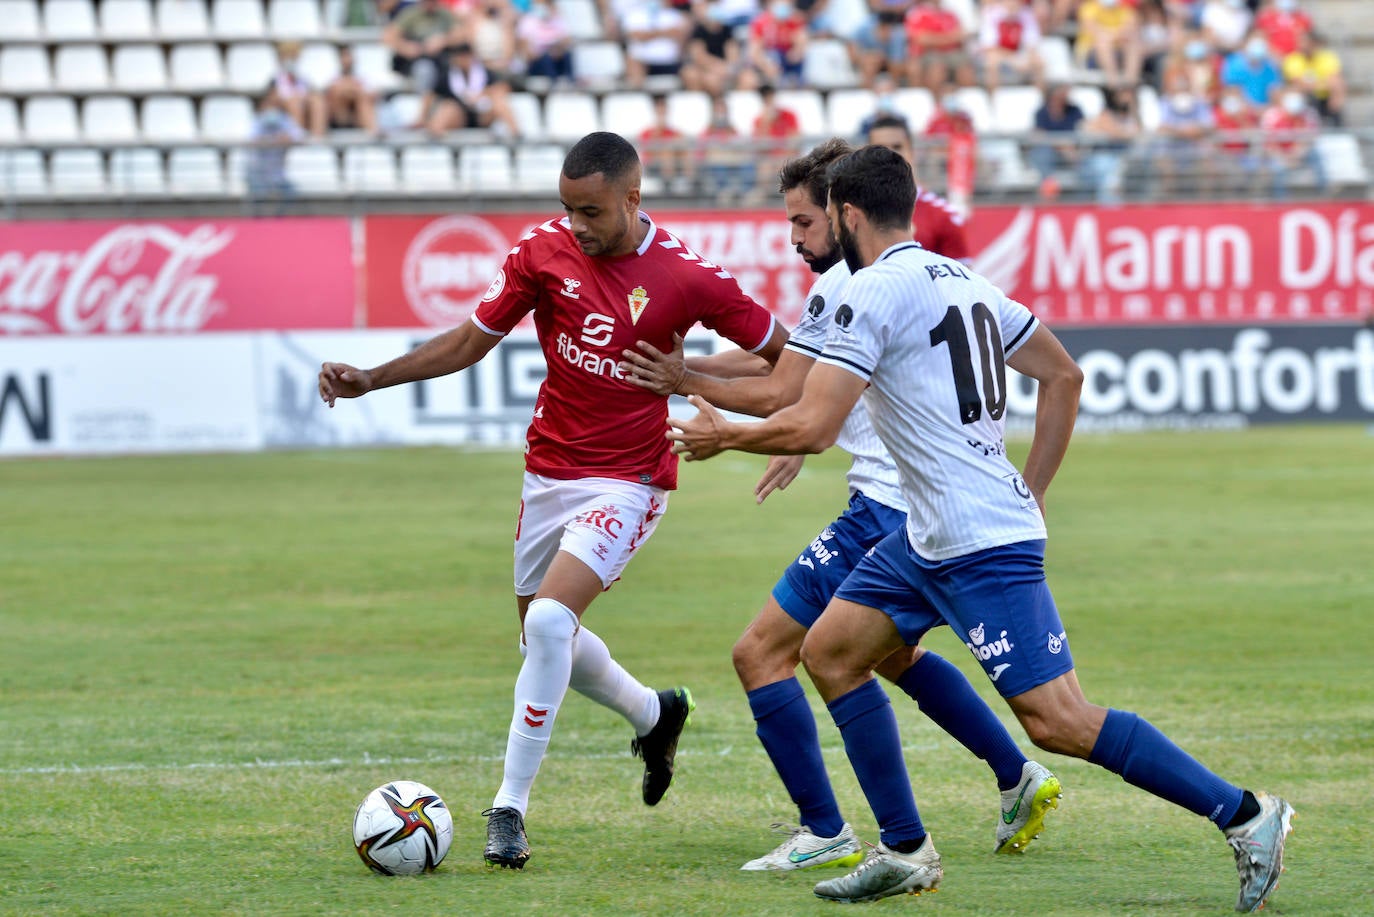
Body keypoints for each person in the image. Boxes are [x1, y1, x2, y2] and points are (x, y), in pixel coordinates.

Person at [663, 143, 1294, 910]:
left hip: (978, 540)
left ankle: (1248, 814)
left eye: (823, 216)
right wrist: (1034, 489)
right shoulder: (964, 280)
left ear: (849, 214)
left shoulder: (872, 292)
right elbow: (1063, 374)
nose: (818, 231)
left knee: (1058, 721)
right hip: (927, 533)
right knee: (829, 651)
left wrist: (724, 434)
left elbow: (815, 424)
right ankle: (905, 849)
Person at [317, 131, 788, 870]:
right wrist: (372, 378)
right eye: (567, 208)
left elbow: (789, 361)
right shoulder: (541, 252)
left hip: (630, 478)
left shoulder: (689, 279)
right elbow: (471, 341)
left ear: (632, 199)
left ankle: (509, 807)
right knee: (544, 640)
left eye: (592, 211)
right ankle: (653, 713)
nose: (577, 224)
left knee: (547, 619)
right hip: (548, 472)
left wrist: (716, 392)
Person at [619, 138, 1062, 871]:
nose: (795, 240)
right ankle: (1015, 775)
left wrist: (693, 390)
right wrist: (693, 372)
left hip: (888, 508)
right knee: (889, 656)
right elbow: (788, 362)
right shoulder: (856, 286)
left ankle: (827, 827)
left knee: (761, 652)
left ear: (842, 212)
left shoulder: (852, 287)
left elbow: (780, 389)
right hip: (915, 502)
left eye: (803, 223)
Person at [865, 114, 970, 262]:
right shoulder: (853, 215)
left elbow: (960, 282)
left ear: (912, 152)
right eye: (880, 149)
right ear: (866, 156)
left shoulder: (944, 216)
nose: (890, 156)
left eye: (897, 147)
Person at [425, 43, 521, 138]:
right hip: (459, 116)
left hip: (481, 114)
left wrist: (482, 94)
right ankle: (438, 137)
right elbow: (431, 95)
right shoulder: (446, 76)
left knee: (499, 102)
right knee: (448, 108)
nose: (463, 60)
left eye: (466, 57)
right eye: (460, 57)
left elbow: (502, 87)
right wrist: (421, 118)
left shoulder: (485, 73)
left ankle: (516, 134)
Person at [245, 81, 304, 214]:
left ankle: (280, 225)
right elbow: (251, 140)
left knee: (292, 194)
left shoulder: (284, 119)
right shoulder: (258, 120)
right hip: (259, 176)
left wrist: (287, 138)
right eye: (273, 96)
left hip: (279, 177)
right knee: (257, 197)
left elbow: (299, 136)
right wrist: (272, 140)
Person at [323, 46, 380, 136]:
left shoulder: (362, 77)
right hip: (338, 116)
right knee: (340, 93)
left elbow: (373, 94)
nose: (347, 60)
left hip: (356, 116)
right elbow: (333, 92)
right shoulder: (330, 75)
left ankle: (373, 131)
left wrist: (352, 90)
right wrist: (352, 90)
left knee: (363, 100)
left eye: (349, 56)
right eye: (344, 56)